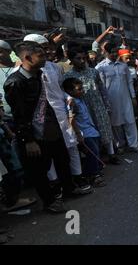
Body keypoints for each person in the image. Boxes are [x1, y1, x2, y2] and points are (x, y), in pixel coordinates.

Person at [4, 42, 76, 213]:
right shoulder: (15, 82)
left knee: (63, 160)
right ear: (27, 58)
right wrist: (28, 141)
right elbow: (19, 115)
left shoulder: (38, 75)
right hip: (34, 136)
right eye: (41, 56)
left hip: (51, 130)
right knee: (39, 171)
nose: (45, 58)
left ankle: (68, 190)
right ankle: (50, 202)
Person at [24, 34, 92, 195]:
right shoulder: (24, 72)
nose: (47, 50)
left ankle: (77, 177)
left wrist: (68, 98)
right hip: (42, 120)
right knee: (50, 154)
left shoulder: (54, 67)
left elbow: (60, 90)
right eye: (42, 47)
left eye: (47, 47)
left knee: (72, 146)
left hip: (61, 114)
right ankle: (56, 185)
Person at [64, 48, 118, 164]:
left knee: (105, 130)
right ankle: (97, 159)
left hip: (98, 106)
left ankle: (112, 155)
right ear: (71, 60)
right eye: (78, 59)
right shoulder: (68, 76)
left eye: (84, 58)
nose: (82, 61)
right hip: (82, 109)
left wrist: (107, 106)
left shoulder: (94, 72)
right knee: (90, 134)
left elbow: (102, 90)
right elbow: (66, 94)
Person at [96, 48, 138, 153]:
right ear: (106, 52)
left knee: (130, 121)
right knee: (116, 123)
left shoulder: (123, 66)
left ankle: (133, 145)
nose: (113, 54)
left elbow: (129, 82)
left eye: (114, 52)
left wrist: (133, 97)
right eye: (110, 52)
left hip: (126, 98)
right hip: (111, 100)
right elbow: (101, 86)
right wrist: (104, 102)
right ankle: (120, 145)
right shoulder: (101, 67)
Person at [62, 78, 106, 187]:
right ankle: (92, 176)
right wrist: (78, 134)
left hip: (91, 130)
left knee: (95, 152)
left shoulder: (80, 100)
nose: (82, 91)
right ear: (69, 91)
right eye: (79, 89)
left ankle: (93, 172)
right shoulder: (72, 103)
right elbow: (71, 120)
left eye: (82, 88)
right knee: (92, 152)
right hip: (84, 134)